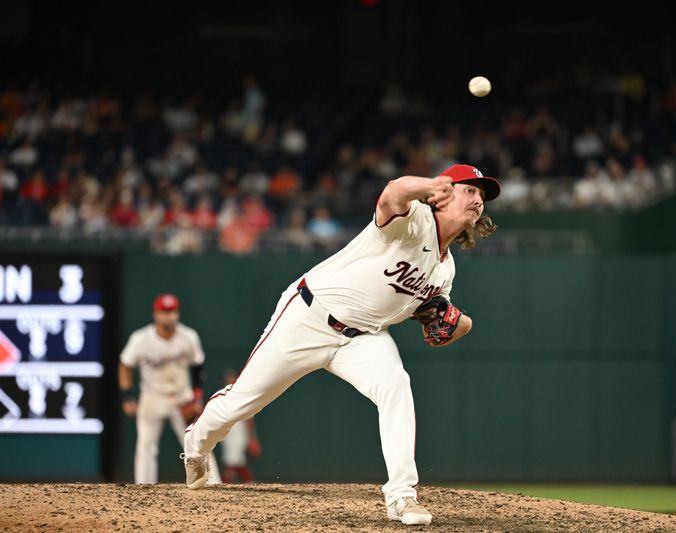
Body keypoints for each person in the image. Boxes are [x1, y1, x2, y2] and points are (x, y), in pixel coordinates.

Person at [182, 164, 501, 525]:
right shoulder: (416, 220)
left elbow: (437, 326)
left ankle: (402, 496)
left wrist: (457, 324)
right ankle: (195, 446)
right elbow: (393, 192)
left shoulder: (446, 270)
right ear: (443, 195)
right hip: (309, 317)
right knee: (241, 403)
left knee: (396, 386)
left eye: (482, 196)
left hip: (363, 338)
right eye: (469, 190)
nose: (478, 200)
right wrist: (428, 185)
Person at [119, 293, 221, 484]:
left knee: (198, 441)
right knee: (146, 446)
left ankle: (214, 483)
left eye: (172, 311)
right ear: (155, 314)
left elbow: (198, 366)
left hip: (182, 397)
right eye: (164, 312)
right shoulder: (141, 339)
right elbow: (125, 365)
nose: (169, 316)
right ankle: (143, 489)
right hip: (152, 397)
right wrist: (126, 396)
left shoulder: (188, 336)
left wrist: (196, 398)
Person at [219, 369, 261, 483]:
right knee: (233, 461)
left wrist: (252, 438)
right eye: (227, 378)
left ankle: (245, 482)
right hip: (227, 432)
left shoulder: (241, 395)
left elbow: (249, 420)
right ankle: (248, 482)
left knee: (234, 460)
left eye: (232, 378)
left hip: (239, 432)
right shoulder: (221, 396)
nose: (229, 381)